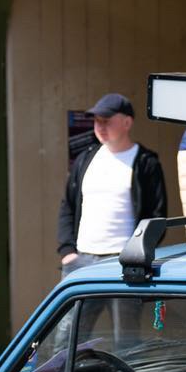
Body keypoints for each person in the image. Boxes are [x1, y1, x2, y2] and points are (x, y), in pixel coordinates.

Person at [58, 93, 167, 277]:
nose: (100, 126)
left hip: (124, 262)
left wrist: (138, 254)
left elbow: (157, 215)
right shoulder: (85, 159)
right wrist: (68, 252)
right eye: (96, 120)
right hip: (80, 261)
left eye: (106, 120)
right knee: (72, 308)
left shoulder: (146, 162)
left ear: (127, 123)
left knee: (125, 307)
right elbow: (67, 205)